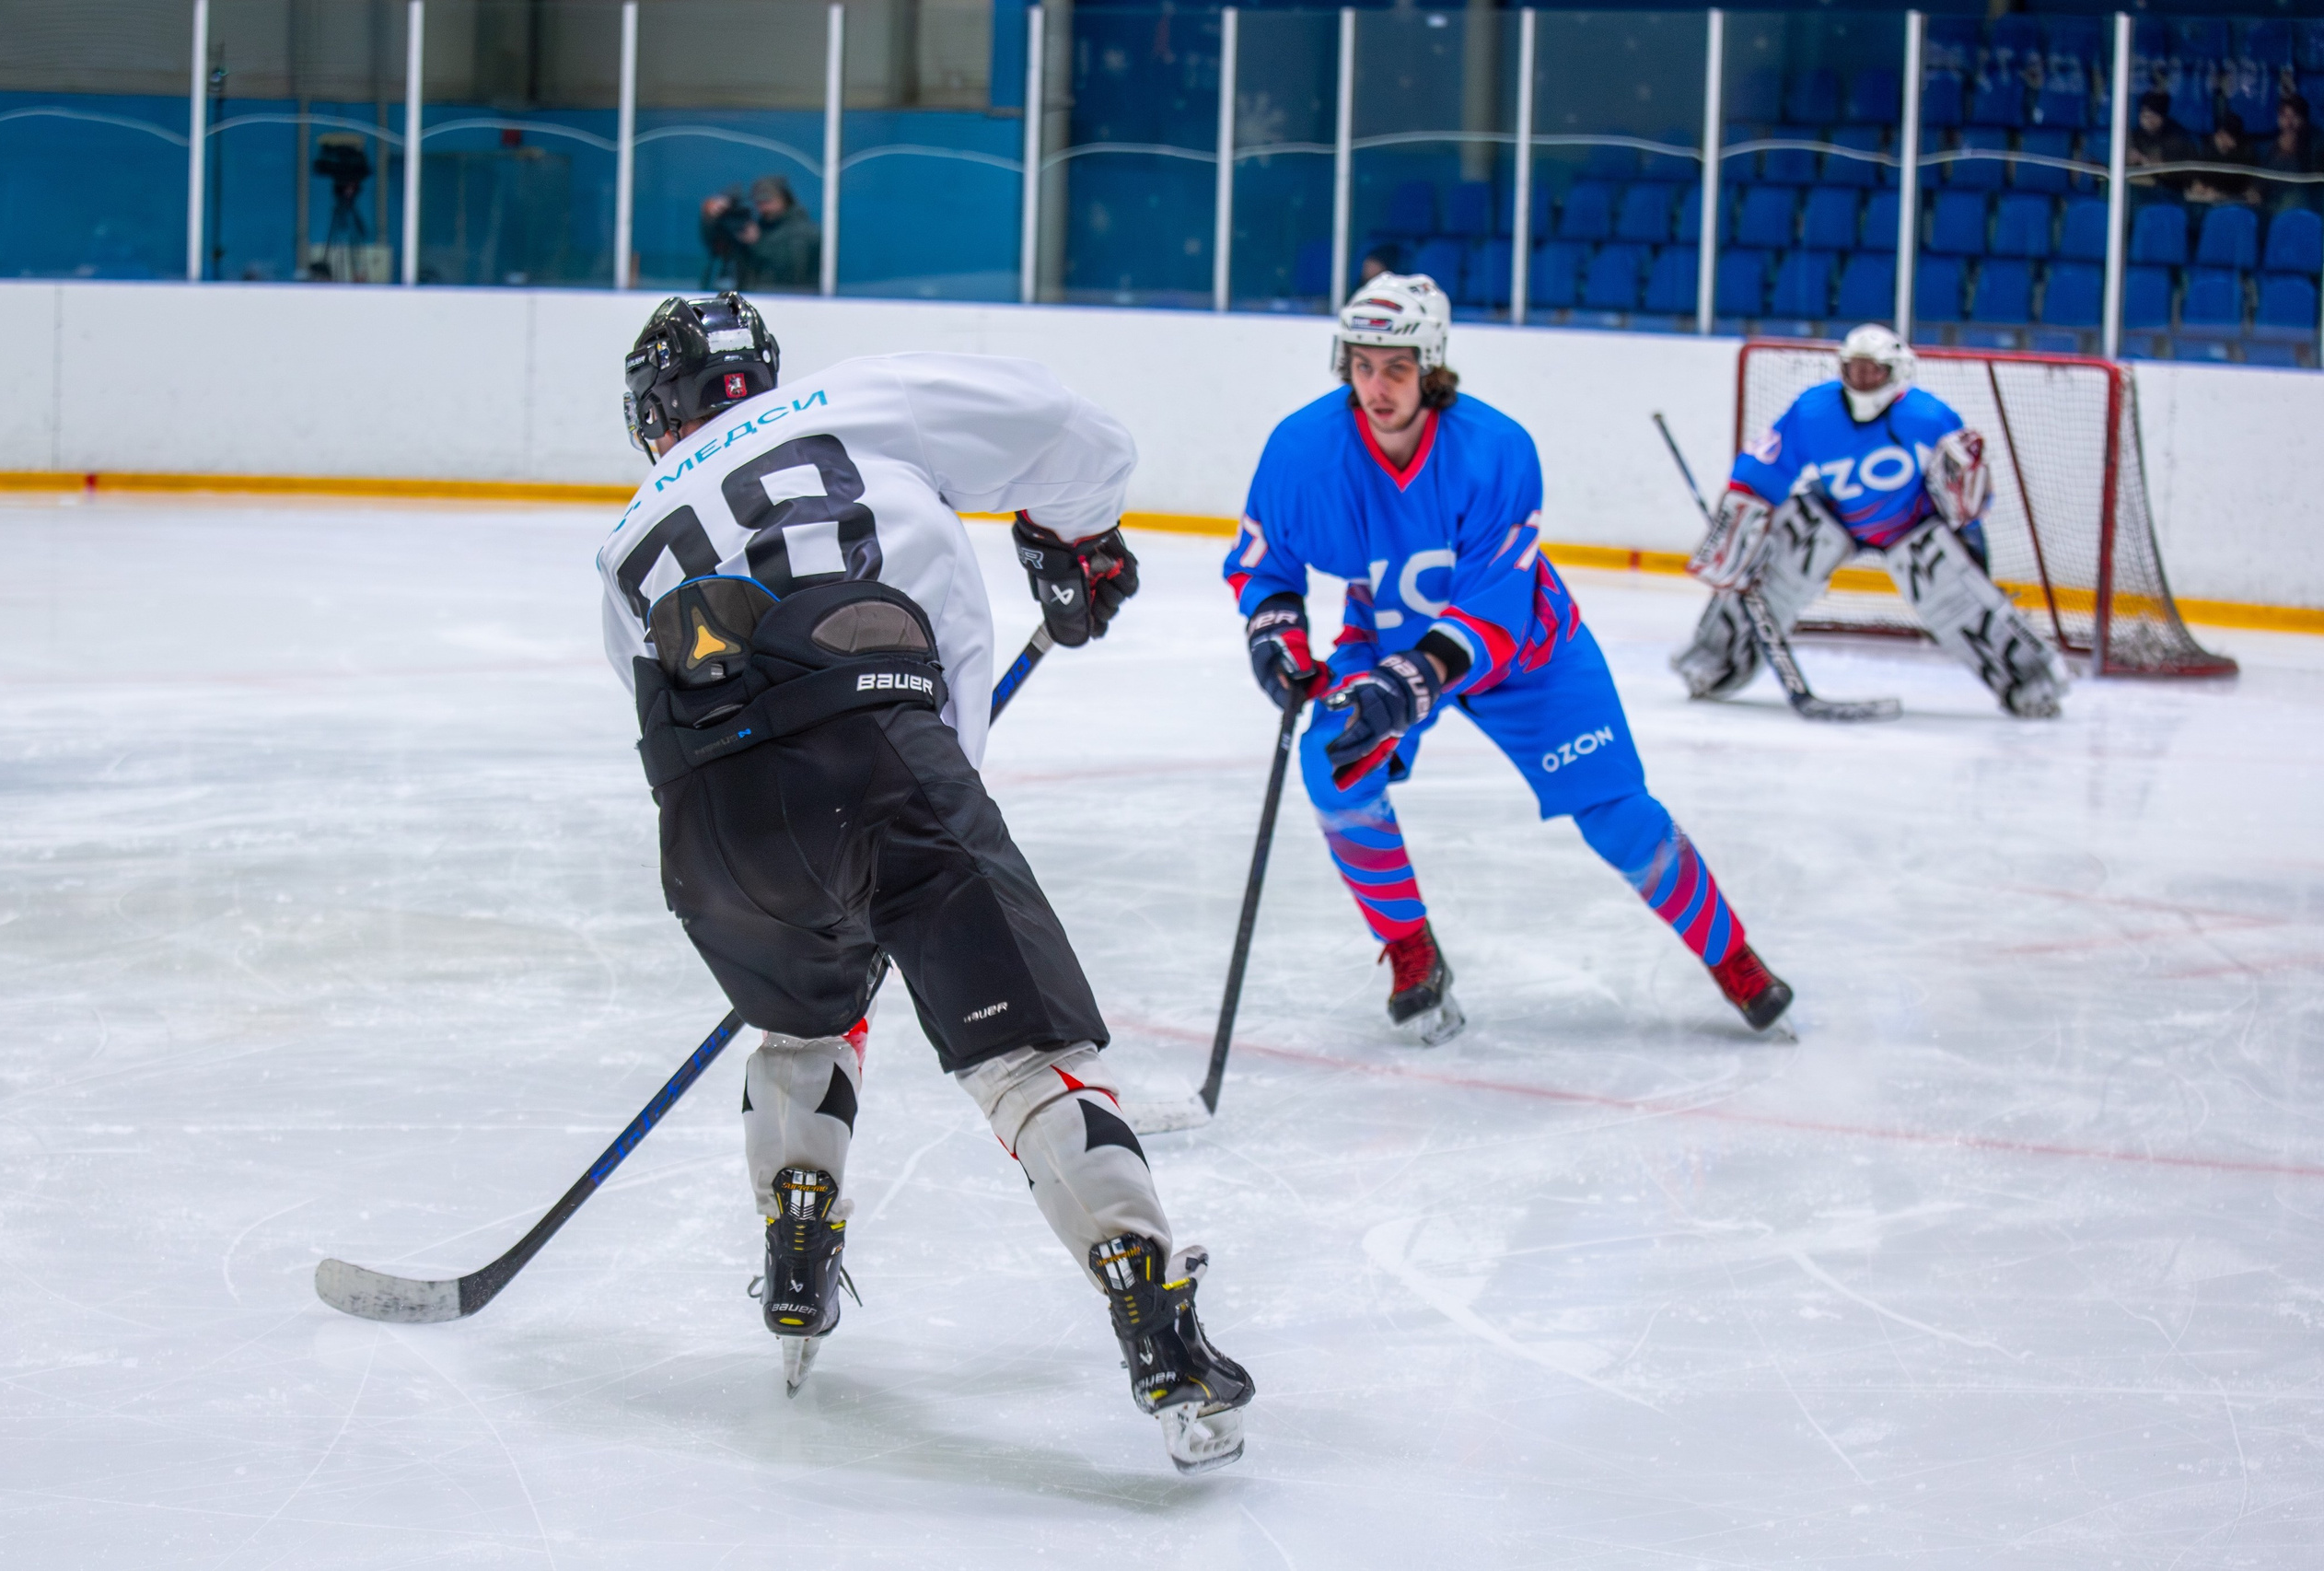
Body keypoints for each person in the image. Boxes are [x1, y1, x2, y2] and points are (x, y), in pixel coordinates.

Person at [596, 294, 1251, 1474]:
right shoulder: (849, 398)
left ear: (658, 413)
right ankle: (1155, 1320)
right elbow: (1071, 430)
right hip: (880, 759)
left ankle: (796, 1242)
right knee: (1022, 1062)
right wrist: (1071, 540)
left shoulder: (628, 534)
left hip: (708, 830)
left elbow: (672, 707)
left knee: (804, 1020)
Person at [1225, 273, 1794, 1043]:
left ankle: (1733, 959)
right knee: (1333, 769)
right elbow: (1266, 564)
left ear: (1431, 367)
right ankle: (1411, 950)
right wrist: (1278, 640)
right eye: (1361, 364)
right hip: (1388, 640)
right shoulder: (1303, 452)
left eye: (1395, 368)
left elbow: (1493, 606)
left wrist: (1410, 683)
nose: (1376, 385)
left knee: (1620, 817)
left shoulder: (1495, 450)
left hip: (1529, 655)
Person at [1671, 322, 2069, 721]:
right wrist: (1737, 532)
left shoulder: (1929, 416)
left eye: (1873, 370)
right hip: (1835, 516)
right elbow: (1763, 470)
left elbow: (1968, 500)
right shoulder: (1813, 410)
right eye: (1854, 368)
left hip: (1912, 524)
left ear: (1896, 371)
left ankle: (2031, 680)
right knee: (1775, 567)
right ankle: (1713, 662)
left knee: (1956, 597)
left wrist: (1970, 545)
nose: (1862, 379)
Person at [699, 175, 821, 290]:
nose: (762, 207)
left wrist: (757, 243)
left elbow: (792, 272)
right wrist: (710, 216)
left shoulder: (805, 232)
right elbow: (716, 246)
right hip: (751, 298)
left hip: (789, 302)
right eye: (758, 202)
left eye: (767, 201)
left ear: (784, 199)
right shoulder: (755, 226)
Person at [2126, 89, 2198, 192]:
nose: (2148, 120)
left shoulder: (2177, 138)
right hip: (2139, 189)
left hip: (2171, 192)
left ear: (2162, 116)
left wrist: (2147, 162)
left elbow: (2179, 175)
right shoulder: (2136, 135)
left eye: (2152, 115)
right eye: (2144, 115)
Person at [2185, 111, 2260, 206]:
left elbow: (2247, 183)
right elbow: (2195, 181)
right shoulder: (2202, 149)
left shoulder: (2245, 152)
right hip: (2205, 200)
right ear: (2220, 134)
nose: (2233, 142)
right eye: (2230, 136)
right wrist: (2199, 186)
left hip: (2234, 199)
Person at [2256, 93, 2318, 180]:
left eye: (2294, 116)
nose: (2289, 122)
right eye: (2284, 116)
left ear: (2304, 120)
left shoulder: (2315, 146)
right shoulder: (2268, 148)